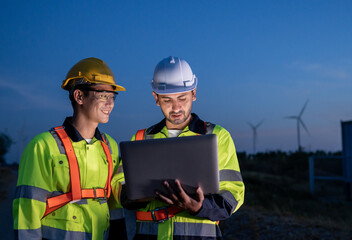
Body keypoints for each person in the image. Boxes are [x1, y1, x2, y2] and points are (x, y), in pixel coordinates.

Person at [113, 56, 245, 239]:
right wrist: (139, 195)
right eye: (167, 100)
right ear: (156, 98)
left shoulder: (217, 137)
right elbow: (118, 189)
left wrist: (199, 206)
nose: (176, 107)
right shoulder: (140, 138)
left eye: (182, 98)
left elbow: (233, 195)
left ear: (194, 93)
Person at [13, 57, 127, 240]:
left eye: (112, 96)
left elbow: (113, 206)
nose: (110, 103)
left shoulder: (110, 146)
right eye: (103, 95)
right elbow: (28, 211)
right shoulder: (43, 146)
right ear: (79, 96)